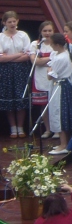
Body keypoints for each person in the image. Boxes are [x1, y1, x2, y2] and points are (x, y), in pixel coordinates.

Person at [0, 11, 32, 139]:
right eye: (9, 22)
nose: (12, 24)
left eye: (14, 21)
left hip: (21, 70)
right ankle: (13, 128)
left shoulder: (23, 35)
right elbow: (0, 59)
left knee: (20, 97)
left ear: (17, 21)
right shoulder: (1, 37)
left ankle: (20, 127)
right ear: (4, 23)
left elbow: (28, 55)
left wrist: (10, 58)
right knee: (9, 98)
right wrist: (18, 55)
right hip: (6, 71)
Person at [46, 34, 72, 155]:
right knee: (58, 112)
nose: (51, 46)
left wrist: (49, 70)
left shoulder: (61, 58)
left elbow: (50, 75)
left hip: (61, 86)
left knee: (60, 114)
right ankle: (63, 142)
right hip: (59, 85)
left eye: (52, 44)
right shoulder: (60, 55)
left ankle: (64, 144)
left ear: (57, 45)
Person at [29, 21, 55, 138]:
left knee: (55, 104)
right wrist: (51, 58)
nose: (47, 33)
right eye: (45, 31)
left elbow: (59, 61)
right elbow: (36, 62)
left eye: (49, 30)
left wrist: (43, 59)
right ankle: (48, 129)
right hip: (40, 76)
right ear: (40, 32)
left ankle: (57, 130)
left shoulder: (57, 44)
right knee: (43, 105)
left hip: (54, 76)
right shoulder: (36, 44)